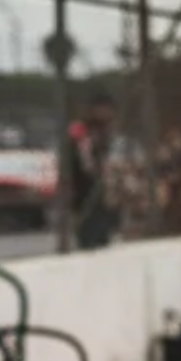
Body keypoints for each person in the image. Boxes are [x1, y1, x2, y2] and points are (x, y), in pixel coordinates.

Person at [67, 91, 119, 250]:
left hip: (100, 195)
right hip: (84, 190)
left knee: (103, 233)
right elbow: (85, 160)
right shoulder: (81, 129)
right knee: (89, 234)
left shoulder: (105, 131)